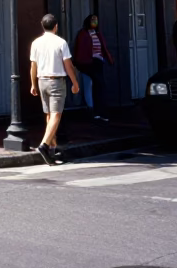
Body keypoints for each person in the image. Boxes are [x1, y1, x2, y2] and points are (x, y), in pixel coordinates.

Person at [29, 13, 80, 165]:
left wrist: (33, 84)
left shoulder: (36, 43)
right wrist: (75, 82)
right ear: (56, 26)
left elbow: (33, 65)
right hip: (56, 81)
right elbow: (68, 65)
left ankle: (53, 147)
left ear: (42, 26)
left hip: (41, 80)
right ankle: (44, 145)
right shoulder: (61, 42)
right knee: (56, 115)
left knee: (48, 114)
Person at [73, 13, 114, 122]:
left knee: (99, 86)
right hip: (88, 63)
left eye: (96, 20)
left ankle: (99, 111)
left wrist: (106, 58)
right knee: (90, 86)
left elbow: (103, 48)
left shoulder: (98, 34)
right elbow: (80, 49)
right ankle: (93, 111)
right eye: (92, 20)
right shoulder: (83, 34)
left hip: (98, 62)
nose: (95, 22)